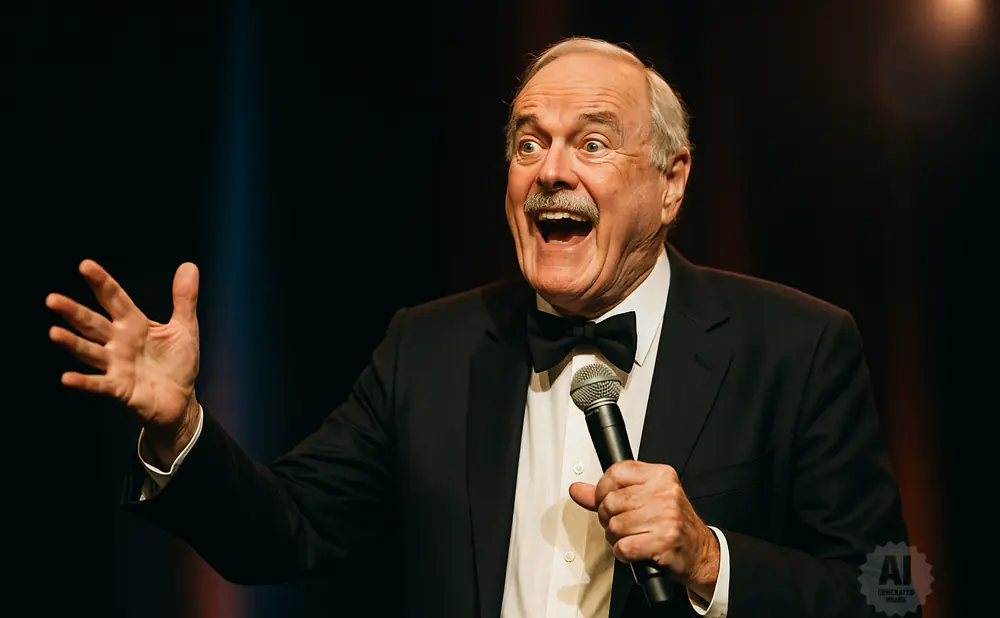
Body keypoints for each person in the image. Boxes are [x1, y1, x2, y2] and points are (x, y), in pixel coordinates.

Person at [46, 37, 912, 617]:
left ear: (672, 182)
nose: (550, 171)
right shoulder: (429, 349)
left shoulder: (796, 346)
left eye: (593, 144)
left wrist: (711, 559)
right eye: (528, 144)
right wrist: (179, 429)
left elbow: (888, 593)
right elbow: (285, 528)